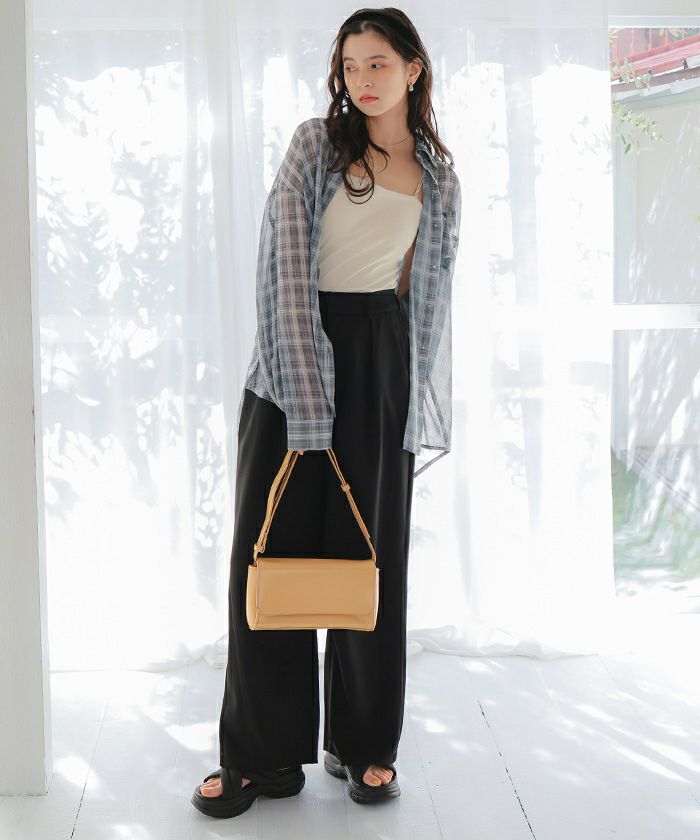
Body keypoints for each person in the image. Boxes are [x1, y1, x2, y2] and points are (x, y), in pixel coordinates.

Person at [191, 6, 461, 819]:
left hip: (380, 356)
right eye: (350, 66)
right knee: (269, 551)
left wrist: (403, 392)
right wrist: (308, 398)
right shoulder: (317, 144)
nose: (362, 80)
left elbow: (424, 292)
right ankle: (259, 756)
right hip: (293, 356)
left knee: (370, 557)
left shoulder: (438, 175)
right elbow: (281, 266)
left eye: (378, 63)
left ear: (413, 69)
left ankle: (364, 743)